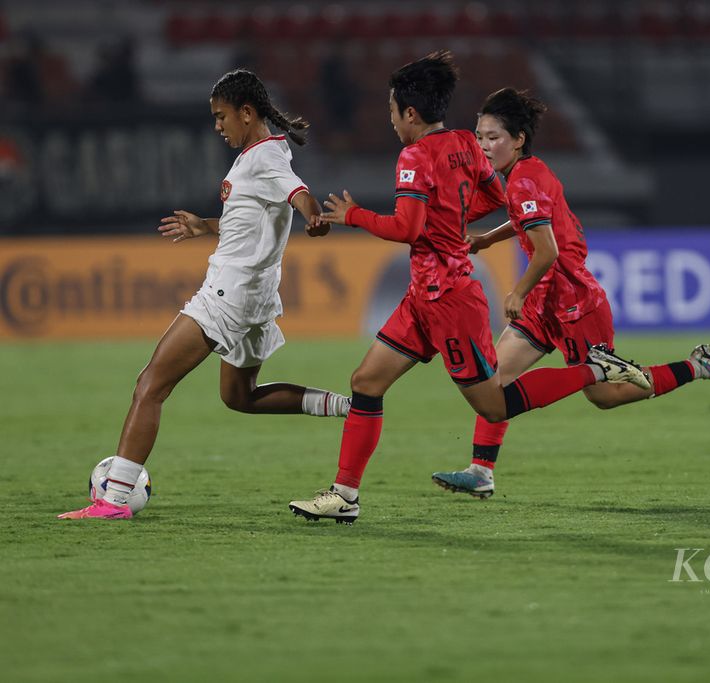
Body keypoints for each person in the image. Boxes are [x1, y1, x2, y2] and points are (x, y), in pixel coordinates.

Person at [287, 51, 649, 525]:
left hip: (452, 300)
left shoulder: (414, 155)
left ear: (410, 113)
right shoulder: (463, 143)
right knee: (366, 382)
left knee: (494, 406)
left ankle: (595, 371)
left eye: (393, 110)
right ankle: (344, 494)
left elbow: (407, 227)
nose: (391, 119)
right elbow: (497, 195)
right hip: (424, 296)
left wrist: (353, 216)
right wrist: (454, 219)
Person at [59, 69, 349, 520]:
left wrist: (314, 217)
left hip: (227, 294)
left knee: (150, 385)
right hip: (256, 299)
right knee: (240, 397)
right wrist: (206, 226)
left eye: (221, 117)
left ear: (246, 113)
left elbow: (299, 195)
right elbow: (252, 218)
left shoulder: (264, 159)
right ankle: (349, 407)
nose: (217, 126)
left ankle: (113, 501)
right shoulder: (263, 154)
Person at [431, 88, 710, 499]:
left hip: (575, 302)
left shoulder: (523, 181)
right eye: (480, 136)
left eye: (493, 137)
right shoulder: (527, 174)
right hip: (547, 300)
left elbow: (547, 251)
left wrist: (517, 292)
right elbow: (535, 224)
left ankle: (696, 365)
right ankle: (481, 471)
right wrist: (489, 239)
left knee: (605, 396)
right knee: (496, 379)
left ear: (519, 138)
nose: (484, 147)